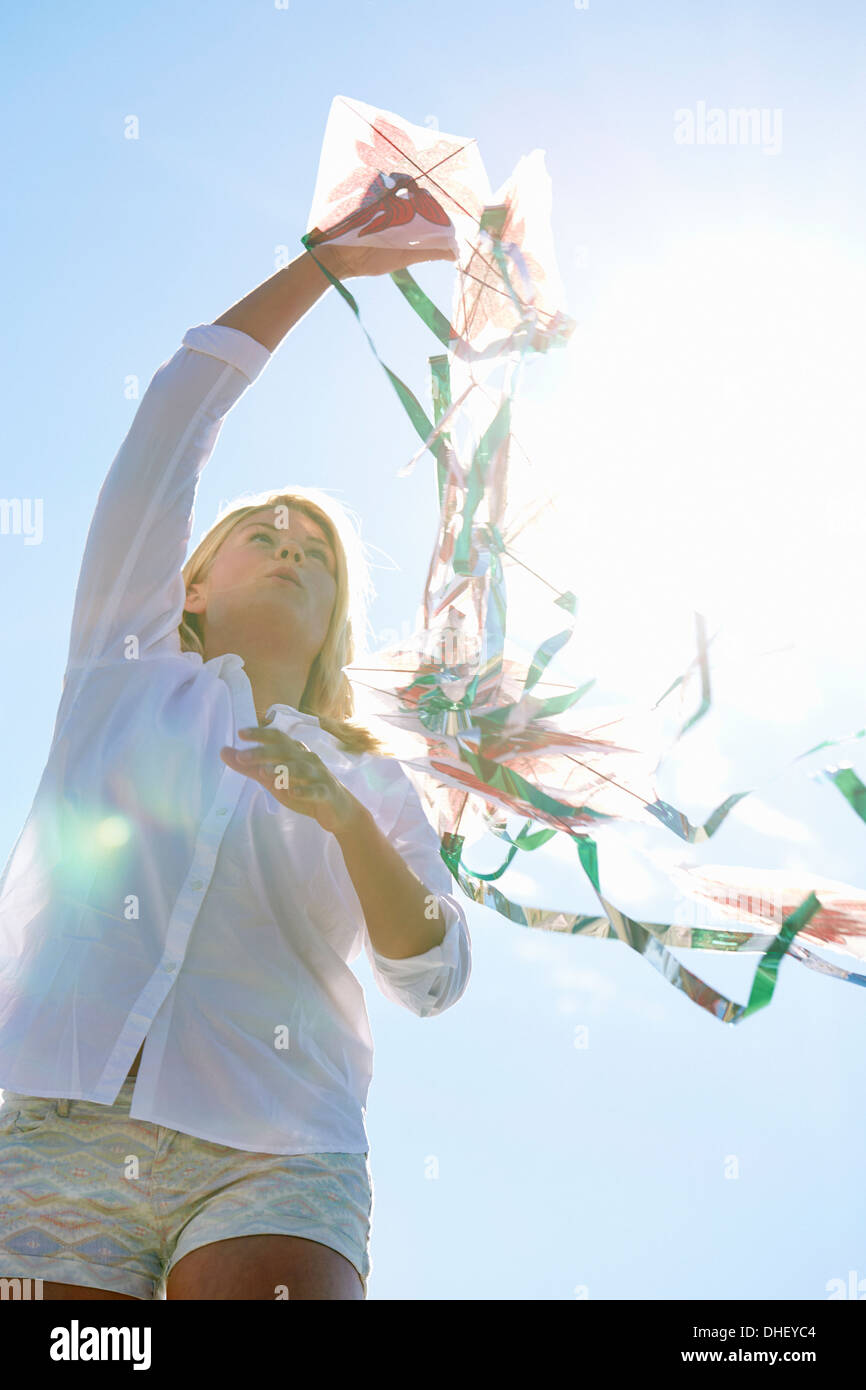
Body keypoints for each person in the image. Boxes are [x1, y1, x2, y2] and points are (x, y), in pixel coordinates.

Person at [0, 237, 471, 1300]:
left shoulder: (375, 780)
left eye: (317, 552)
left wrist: (345, 820)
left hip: (278, 1142)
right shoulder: (119, 674)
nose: (294, 546)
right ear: (194, 584)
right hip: (53, 1124)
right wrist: (327, 263)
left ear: (334, 620)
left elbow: (432, 972)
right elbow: (176, 411)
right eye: (264, 533)